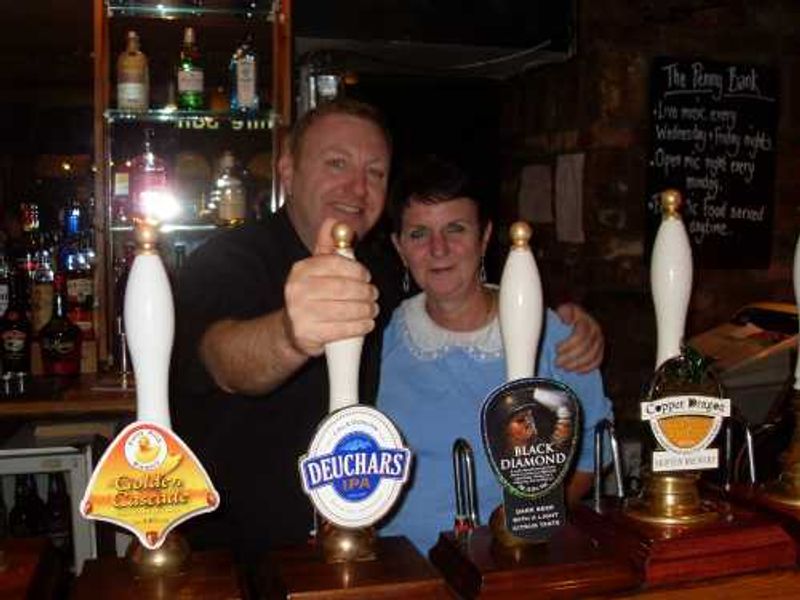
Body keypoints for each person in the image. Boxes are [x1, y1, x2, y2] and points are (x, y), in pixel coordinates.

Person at [170, 99, 604, 561]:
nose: (356, 187)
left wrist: (552, 316)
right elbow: (222, 359)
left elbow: (453, 296)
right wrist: (291, 333)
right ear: (288, 171)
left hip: (367, 555)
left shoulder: (381, 274)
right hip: (246, 553)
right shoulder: (228, 260)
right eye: (337, 163)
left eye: (375, 172)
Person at [377, 155, 613, 553]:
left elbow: (595, 446)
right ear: (399, 247)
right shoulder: (376, 338)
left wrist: (532, 514)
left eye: (456, 229)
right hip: (402, 571)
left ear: (484, 237)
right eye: (419, 234)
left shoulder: (551, 333)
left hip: (510, 569)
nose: (439, 249)